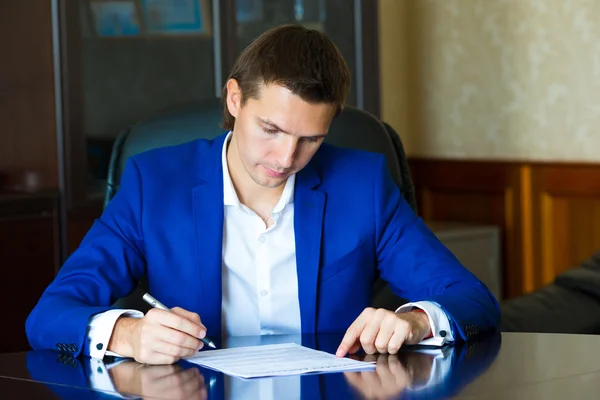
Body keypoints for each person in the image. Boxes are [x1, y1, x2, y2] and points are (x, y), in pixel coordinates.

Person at [26, 24, 499, 365]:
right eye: (270, 128)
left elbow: (472, 300)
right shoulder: (155, 183)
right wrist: (129, 334)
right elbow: (49, 316)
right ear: (235, 100)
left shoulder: (364, 182)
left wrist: (416, 319)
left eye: (310, 139)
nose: (285, 157)